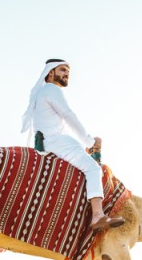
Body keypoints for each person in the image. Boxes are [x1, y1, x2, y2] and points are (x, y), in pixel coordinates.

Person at [21, 59, 124, 231]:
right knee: (93, 169)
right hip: (54, 140)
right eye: (62, 70)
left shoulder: (42, 93)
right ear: (50, 73)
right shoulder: (51, 89)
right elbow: (69, 116)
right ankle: (97, 215)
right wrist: (90, 142)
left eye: (68, 71)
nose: (66, 73)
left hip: (49, 140)